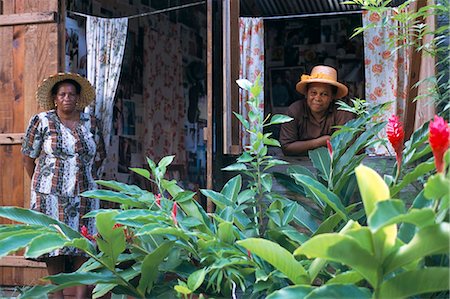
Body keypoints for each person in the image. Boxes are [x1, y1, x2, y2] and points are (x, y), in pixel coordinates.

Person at [22, 73, 105, 299]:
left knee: (84, 247)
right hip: (49, 197)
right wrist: (42, 186)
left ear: (78, 98)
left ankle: (80, 297)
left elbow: (99, 158)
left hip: (85, 196)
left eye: (72, 94)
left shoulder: (92, 123)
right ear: (55, 99)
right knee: (54, 249)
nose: (67, 98)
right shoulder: (41, 121)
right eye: (62, 94)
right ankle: (56, 296)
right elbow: (28, 158)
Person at [279, 65, 355, 156]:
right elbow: (286, 147)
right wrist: (320, 142)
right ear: (306, 94)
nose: (317, 98)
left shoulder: (342, 111)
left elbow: (345, 145)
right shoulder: (295, 110)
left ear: (332, 97)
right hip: (300, 164)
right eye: (313, 93)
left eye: (324, 94)